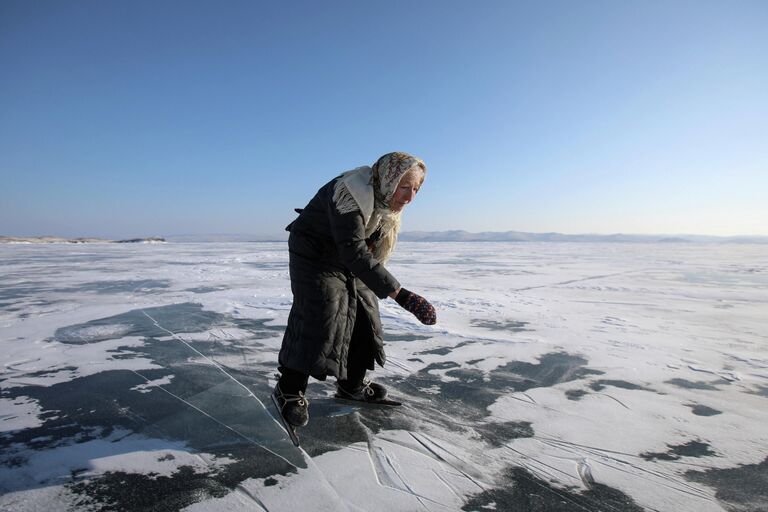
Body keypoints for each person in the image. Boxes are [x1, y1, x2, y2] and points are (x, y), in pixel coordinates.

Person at [274, 151, 437, 428]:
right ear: (389, 179)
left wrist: (377, 282)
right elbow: (354, 251)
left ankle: (352, 385)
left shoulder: (386, 206)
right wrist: (403, 295)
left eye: (416, 189)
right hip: (314, 253)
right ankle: (289, 389)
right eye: (404, 187)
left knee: (364, 311)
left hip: (348, 256)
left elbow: (365, 254)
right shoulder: (350, 193)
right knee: (322, 309)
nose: (409, 197)